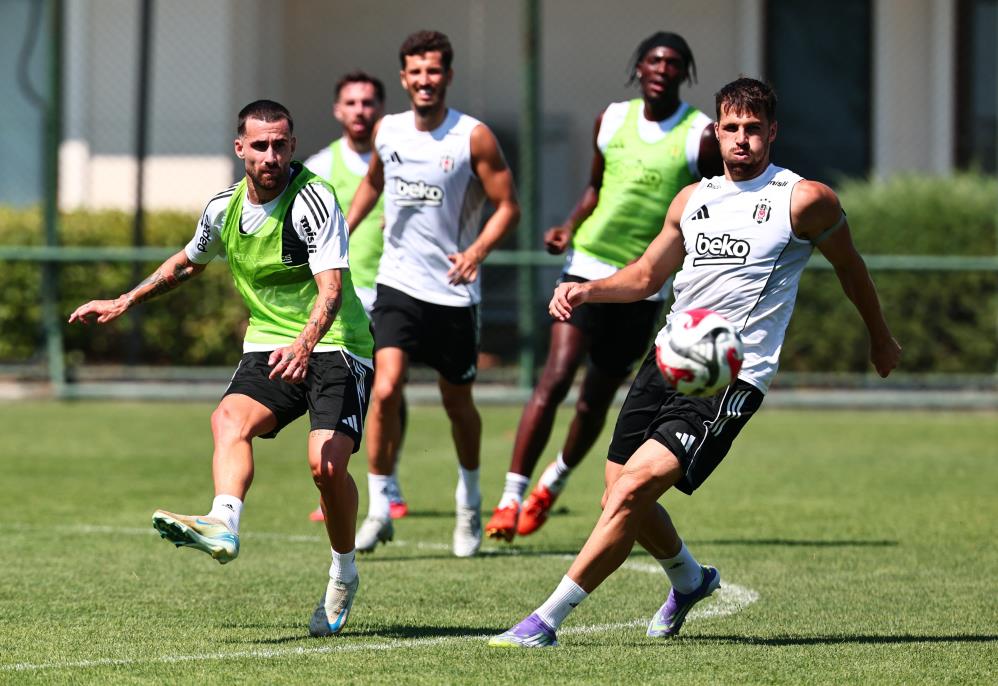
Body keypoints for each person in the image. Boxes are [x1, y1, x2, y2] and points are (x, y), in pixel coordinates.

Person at [489, 77, 901, 647]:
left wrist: (880, 338)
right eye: (731, 127)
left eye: (753, 128)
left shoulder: (803, 200)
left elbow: (851, 267)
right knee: (616, 493)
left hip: (730, 374)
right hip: (668, 358)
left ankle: (544, 622)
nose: (741, 139)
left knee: (631, 492)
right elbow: (645, 276)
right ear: (716, 131)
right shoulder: (691, 200)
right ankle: (689, 579)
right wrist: (587, 290)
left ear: (772, 133)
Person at [68, 100, 375, 638]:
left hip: (336, 344)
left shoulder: (314, 199)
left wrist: (305, 344)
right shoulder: (223, 208)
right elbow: (189, 261)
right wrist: (124, 300)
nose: (271, 156)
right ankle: (224, 523)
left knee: (326, 468)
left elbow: (330, 290)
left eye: (280, 145)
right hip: (269, 345)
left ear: (293, 146)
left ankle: (343, 572)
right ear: (240, 149)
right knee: (228, 420)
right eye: (260, 145)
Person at [485, 31, 723, 543]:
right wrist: (569, 227)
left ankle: (552, 483)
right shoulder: (611, 119)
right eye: (654, 60)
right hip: (587, 264)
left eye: (674, 63)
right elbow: (595, 187)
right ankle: (509, 498)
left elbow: (710, 203)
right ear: (638, 67)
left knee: (595, 399)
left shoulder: (701, 135)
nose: (662, 69)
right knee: (556, 376)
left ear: (685, 74)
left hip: (642, 284)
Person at [346, 30, 520, 557]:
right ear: (404, 78)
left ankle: (469, 502)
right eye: (416, 72)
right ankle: (380, 508)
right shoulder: (389, 130)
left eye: (434, 71)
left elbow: (508, 205)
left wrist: (476, 252)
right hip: (397, 284)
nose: (425, 80)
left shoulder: (473, 137)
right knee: (384, 388)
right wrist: (344, 227)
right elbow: (373, 182)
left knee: (457, 403)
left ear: (447, 76)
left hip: (453, 294)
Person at [304, 71, 410, 523]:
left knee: (389, 388)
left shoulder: (401, 154)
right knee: (342, 390)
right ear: (337, 110)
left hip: (396, 288)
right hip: (344, 297)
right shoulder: (322, 166)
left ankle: (388, 483)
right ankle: (335, 484)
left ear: (380, 109)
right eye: (351, 102)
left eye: (368, 102)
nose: (360, 111)